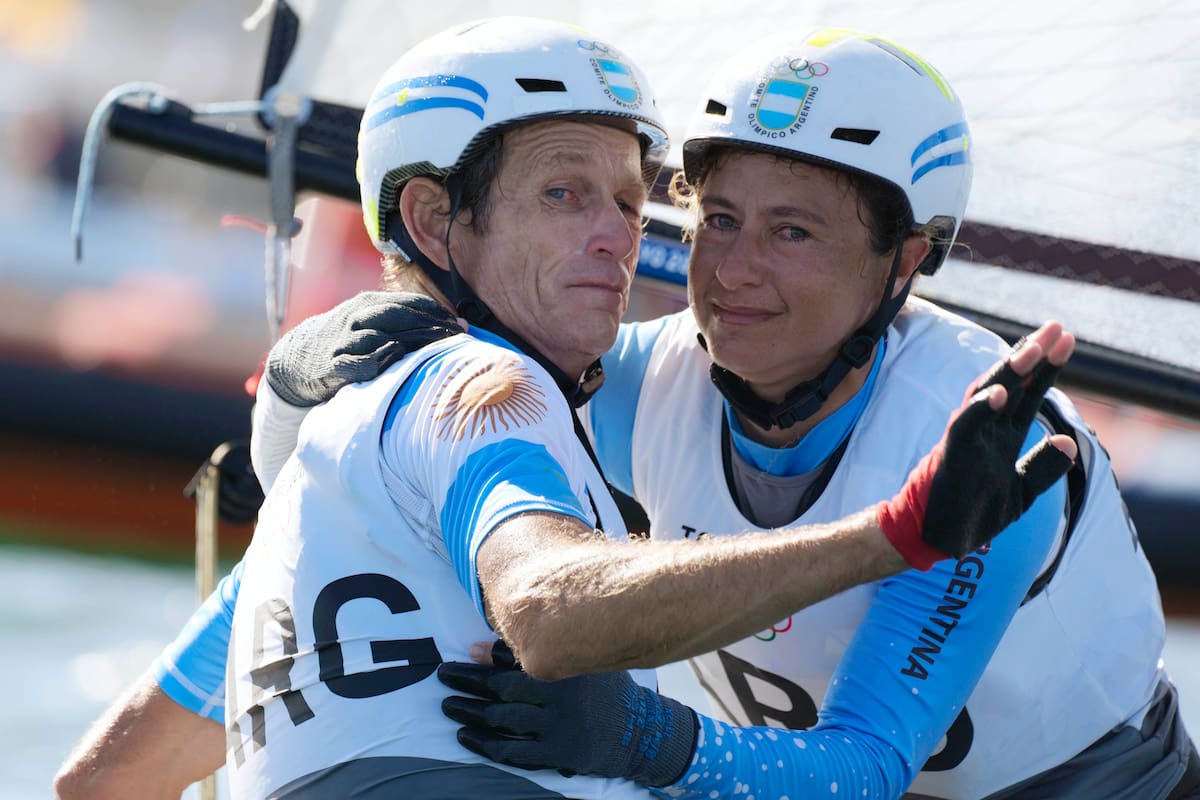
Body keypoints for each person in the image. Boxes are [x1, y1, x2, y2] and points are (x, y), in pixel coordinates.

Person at [53, 19, 1077, 800]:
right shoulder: (503, 386)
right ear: (431, 218)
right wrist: (898, 533)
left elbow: (100, 781)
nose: (618, 239)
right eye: (563, 195)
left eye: (630, 203)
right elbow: (545, 602)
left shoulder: (997, 439)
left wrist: (650, 737)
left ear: (904, 263)